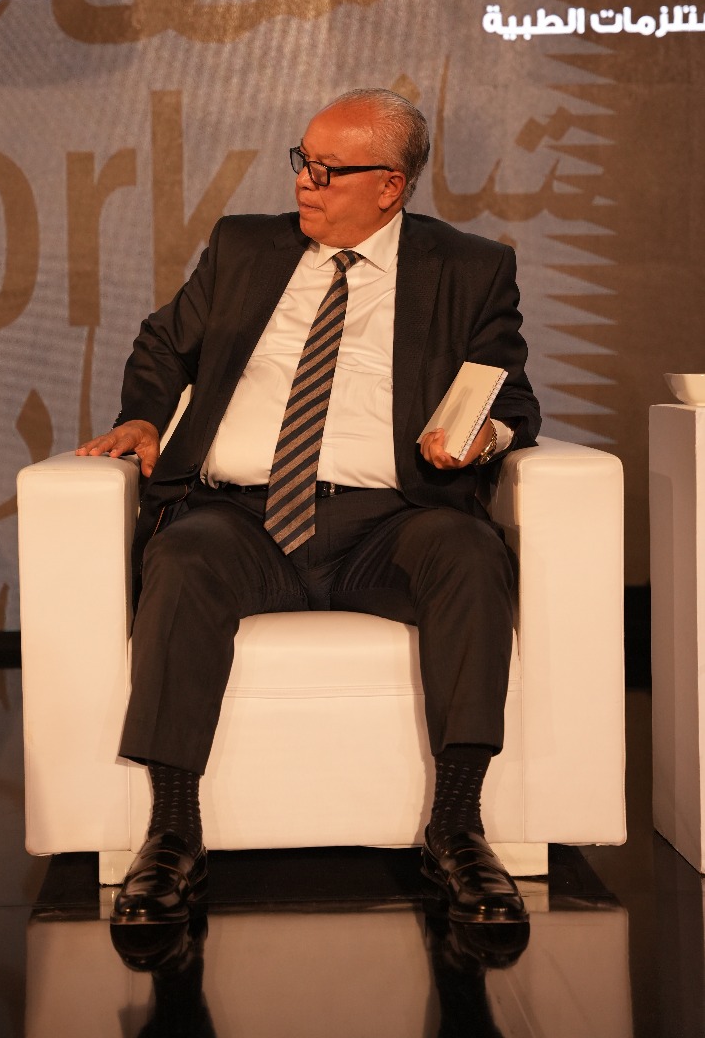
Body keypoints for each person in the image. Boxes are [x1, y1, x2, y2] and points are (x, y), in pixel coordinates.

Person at [77, 88, 541, 927]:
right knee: (180, 557)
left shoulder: (469, 268)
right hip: (242, 519)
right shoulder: (244, 247)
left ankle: (457, 829)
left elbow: (509, 397)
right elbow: (163, 345)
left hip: (388, 524)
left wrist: (483, 436)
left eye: (328, 171)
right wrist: (143, 416)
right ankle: (172, 834)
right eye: (303, 162)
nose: (304, 182)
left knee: (469, 554)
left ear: (389, 186)